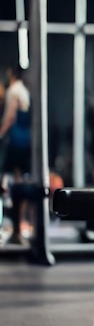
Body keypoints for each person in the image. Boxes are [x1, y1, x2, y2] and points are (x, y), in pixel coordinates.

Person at [0, 64, 32, 244]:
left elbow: (10, 116)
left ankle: (13, 228)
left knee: (7, 182)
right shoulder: (24, 91)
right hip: (25, 143)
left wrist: (1, 132)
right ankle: (19, 227)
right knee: (20, 181)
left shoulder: (13, 91)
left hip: (15, 142)